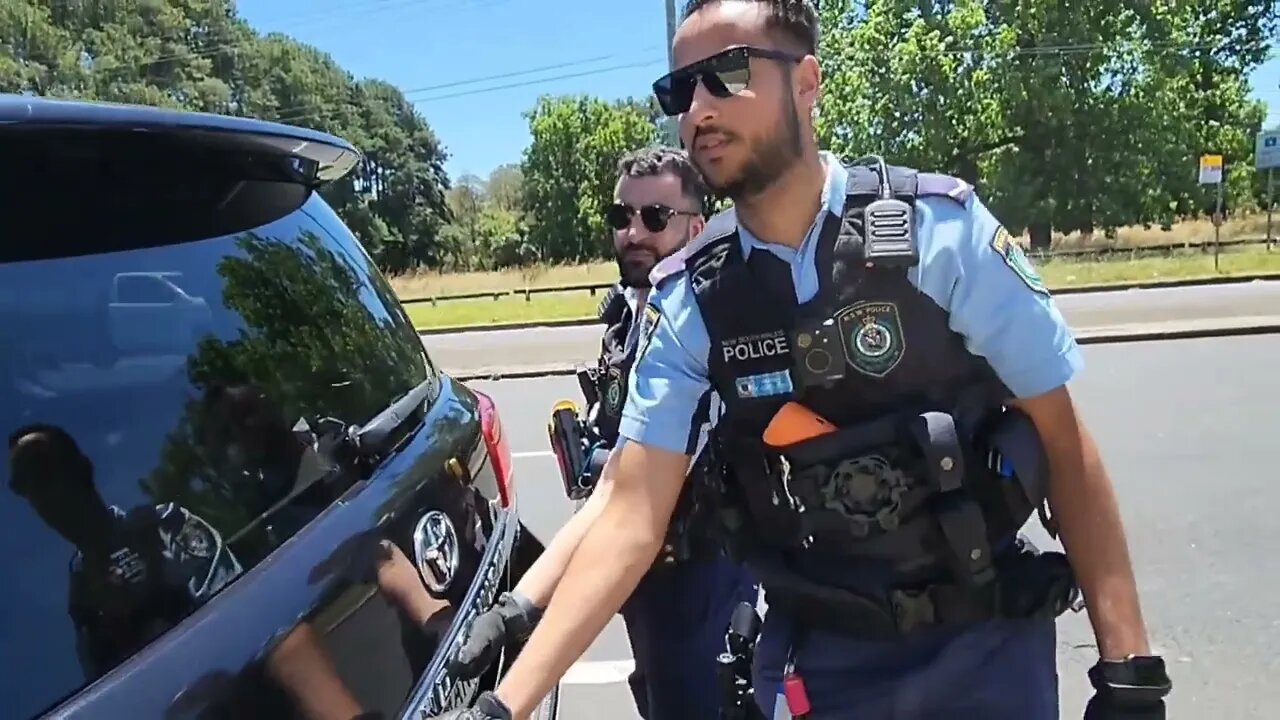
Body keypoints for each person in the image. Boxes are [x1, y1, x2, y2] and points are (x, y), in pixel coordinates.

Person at [435, 1, 1172, 719]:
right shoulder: (692, 298)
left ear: (808, 82)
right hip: (816, 662)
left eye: (727, 73)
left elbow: (1063, 444)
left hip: (981, 655)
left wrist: (1128, 670)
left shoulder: (940, 236)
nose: (699, 108)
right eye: (681, 87)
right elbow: (629, 514)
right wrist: (504, 703)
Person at [443, 147, 758, 719]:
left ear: (697, 226)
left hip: (702, 587)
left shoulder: (704, 328)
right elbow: (611, 480)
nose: (634, 232)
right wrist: (518, 606)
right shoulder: (633, 319)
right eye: (622, 217)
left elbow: (623, 500)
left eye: (655, 218)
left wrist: (515, 645)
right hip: (645, 589)